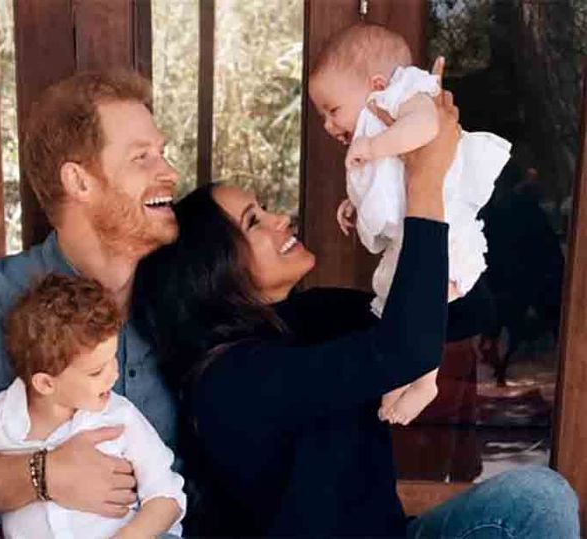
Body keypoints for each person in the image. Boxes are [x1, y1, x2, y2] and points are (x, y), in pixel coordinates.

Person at [134, 72, 579, 536]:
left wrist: (440, 186)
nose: (280, 220)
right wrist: (422, 180)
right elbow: (406, 351)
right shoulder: (231, 381)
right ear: (214, 270)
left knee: (535, 499)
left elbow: (466, 313)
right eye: (255, 222)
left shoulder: (312, 314)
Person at [0, 70, 180, 538]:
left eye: (162, 154)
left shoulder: (181, 293)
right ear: (79, 181)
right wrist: (43, 476)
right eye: (142, 158)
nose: (168, 172)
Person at [308, 25, 512, 425]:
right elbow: (388, 183)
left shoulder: (410, 95)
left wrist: (373, 146)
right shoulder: (378, 122)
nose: (330, 126)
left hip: (446, 228)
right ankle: (404, 374)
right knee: (395, 300)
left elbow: (425, 129)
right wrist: (355, 202)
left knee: (424, 300)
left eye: (333, 111)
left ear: (377, 85)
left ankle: (425, 380)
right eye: (322, 118)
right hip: (412, 233)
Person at [0, 274, 186, 538]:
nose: (114, 375)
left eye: (113, 359)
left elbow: (168, 496)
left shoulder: (120, 418)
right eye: (96, 372)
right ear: (46, 384)